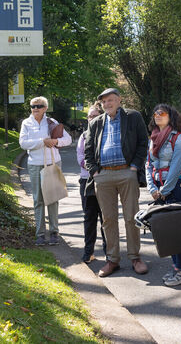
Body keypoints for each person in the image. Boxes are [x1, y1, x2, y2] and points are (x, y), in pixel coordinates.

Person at [84, 88, 149, 277]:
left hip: (127, 172)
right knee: (108, 219)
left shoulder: (133, 117)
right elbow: (88, 149)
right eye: (104, 102)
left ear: (119, 100)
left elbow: (143, 143)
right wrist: (95, 172)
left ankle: (135, 257)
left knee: (131, 217)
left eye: (110, 100)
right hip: (103, 175)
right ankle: (112, 260)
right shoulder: (96, 123)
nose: (107, 104)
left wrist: (135, 167)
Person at [145, 104, 181, 286]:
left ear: (170, 116)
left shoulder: (178, 138)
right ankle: (175, 268)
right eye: (155, 113)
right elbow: (148, 164)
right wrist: (152, 188)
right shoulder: (153, 138)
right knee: (166, 232)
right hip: (159, 188)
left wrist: (164, 191)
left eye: (161, 113)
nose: (157, 115)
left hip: (175, 188)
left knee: (176, 231)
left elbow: (177, 166)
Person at [19, 96, 72, 246]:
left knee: (53, 198)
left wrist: (55, 141)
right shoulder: (26, 123)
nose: (35, 108)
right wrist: (42, 141)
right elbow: (23, 143)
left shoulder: (52, 122)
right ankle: (40, 234)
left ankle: (54, 232)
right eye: (33, 106)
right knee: (38, 199)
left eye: (39, 106)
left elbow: (68, 139)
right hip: (35, 164)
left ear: (45, 108)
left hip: (52, 163)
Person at [76, 104, 107, 263]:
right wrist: (93, 168)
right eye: (89, 116)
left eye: (95, 116)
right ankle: (88, 252)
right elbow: (81, 159)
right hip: (86, 180)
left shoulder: (107, 134)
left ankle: (109, 252)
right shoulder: (84, 136)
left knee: (106, 218)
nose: (92, 118)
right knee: (89, 217)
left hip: (105, 181)